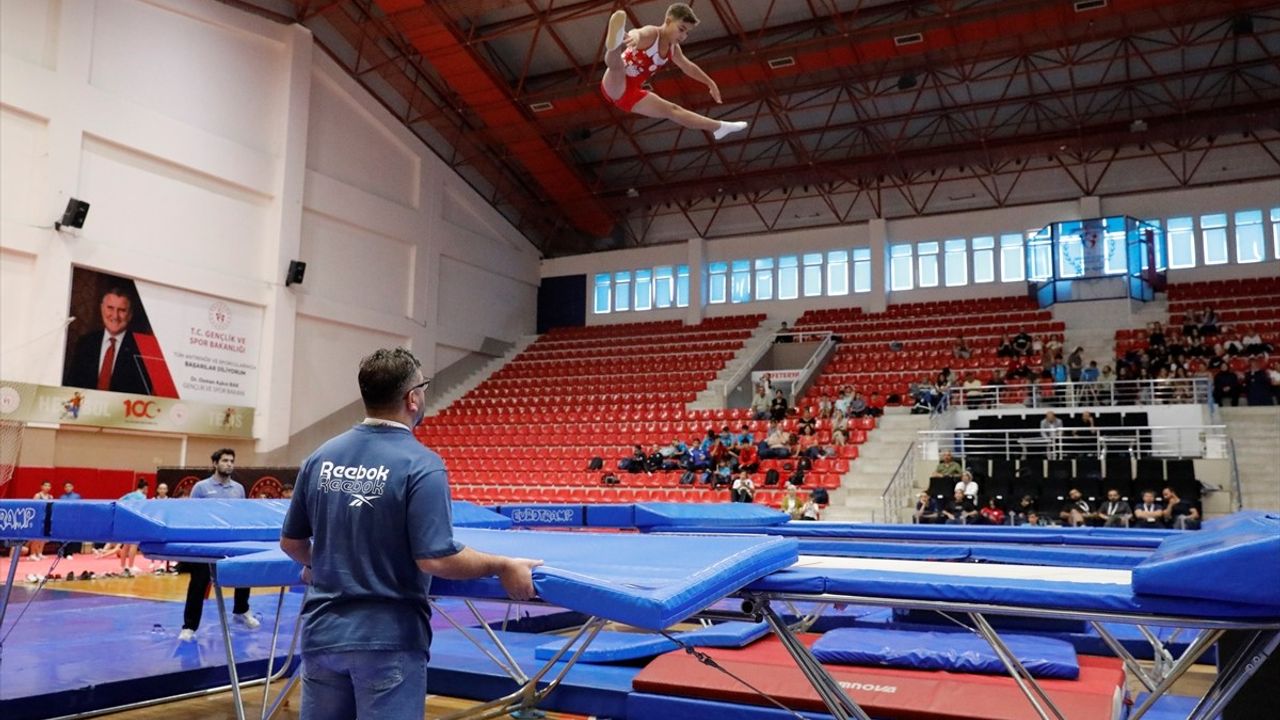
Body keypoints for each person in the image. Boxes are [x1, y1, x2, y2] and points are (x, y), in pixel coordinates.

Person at [280, 348, 539, 719]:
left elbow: (291, 542)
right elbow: (435, 557)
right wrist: (502, 564)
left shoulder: (320, 457)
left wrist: (324, 562)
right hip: (387, 640)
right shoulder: (421, 465)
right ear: (412, 398)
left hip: (322, 633)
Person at [601, 5, 747, 141]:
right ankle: (615, 42)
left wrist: (710, 82)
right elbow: (638, 33)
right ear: (668, 21)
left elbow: (688, 66)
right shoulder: (652, 34)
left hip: (631, 94)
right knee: (617, 67)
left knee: (673, 110)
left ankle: (719, 127)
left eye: (687, 32)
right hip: (615, 84)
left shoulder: (673, 49)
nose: (683, 36)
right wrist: (634, 37)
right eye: (681, 29)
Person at [179, 449, 258, 642]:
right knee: (198, 583)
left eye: (232, 460)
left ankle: (241, 610)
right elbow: (192, 516)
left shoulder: (239, 489)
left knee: (244, 574)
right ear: (215, 463)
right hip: (207, 543)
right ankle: (189, 626)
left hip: (232, 542)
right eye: (225, 460)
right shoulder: (201, 488)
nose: (229, 464)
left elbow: (241, 515)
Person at [62, 286, 154, 395]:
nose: (115, 316)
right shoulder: (85, 343)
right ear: (102, 308)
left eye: (122, 310)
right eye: (110, 308)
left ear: (130, 315)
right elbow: (70, 386)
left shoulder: (142, 350)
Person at [26, 482, 55, 560]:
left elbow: (51, 508)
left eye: (49, 486)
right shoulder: (37, 495)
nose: (47, 487)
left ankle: (39, 553)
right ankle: (32, 554)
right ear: (41, 487)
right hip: (38, 517)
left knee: (43, 537)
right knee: (36, 536)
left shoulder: (50, 497)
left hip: (46, 518)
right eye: (45, 485)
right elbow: (34, 507)